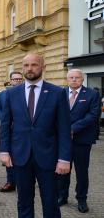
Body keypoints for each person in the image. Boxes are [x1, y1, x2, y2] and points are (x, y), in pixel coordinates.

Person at [0, 53, 71, 218]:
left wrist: (64, 158)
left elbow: (64, 129)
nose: (29, 69)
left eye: (34, 65)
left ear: (43, 67)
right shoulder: (11, 94)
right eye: (26, 65)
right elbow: (5, 125)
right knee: (23, 202)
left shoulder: (57, 93)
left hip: (49, 158)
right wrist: (4, 151)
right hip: (20, 156)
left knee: (50, 203)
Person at [57, 69, 100, 213]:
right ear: (67, 79)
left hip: (82, 140)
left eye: (77, 77)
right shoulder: (60, 94)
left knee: (81, 172)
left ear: (82, 79)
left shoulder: (92, 94)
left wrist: (72, 128)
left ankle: (81, 199)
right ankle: (62, 196)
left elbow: (93, 115)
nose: (74, 80)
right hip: (62, 141)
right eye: (71, 77)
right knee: (62, 170)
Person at [0, 71, 23, 193]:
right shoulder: (2, 95)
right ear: (10, 80)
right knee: (8, 155)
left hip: (21, 130)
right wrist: (6, 120)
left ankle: (23, 181)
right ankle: (10, 181)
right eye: (15, 79)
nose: (17, 81)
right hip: (7, 129)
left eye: (19, 79)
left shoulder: (26, 93)